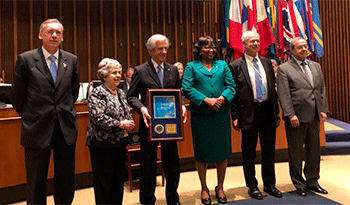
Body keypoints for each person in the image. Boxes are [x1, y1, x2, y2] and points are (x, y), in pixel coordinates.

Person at [11, 19, 80, 204]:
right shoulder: (26, 59)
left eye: (58, 32)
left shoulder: (71, 60)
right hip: (36, 129)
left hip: (65, 129)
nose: (54, 35)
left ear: (63, 37)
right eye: (50, 32)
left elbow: (72, 93)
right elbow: (17, 96)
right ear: (41, 35)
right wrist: (31, 116)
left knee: (66, 180)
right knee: (36, 181)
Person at [127, 34, 187, 205]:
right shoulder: (141, 70)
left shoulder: (173, 70)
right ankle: (147, 200)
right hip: (149, 124)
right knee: (148, 165)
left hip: (170, 124)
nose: (164, 51)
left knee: (172, 164)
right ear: (151, 50)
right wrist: (142, 108)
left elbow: (179, 92)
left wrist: (182, 105)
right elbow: (130, 96)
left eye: (166, 48)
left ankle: (173, 199)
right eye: (160, 48)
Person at [182, 36, 236, 205]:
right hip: (201, 115)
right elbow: (187, 88)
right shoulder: (191, 67)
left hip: (220, 114)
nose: (211, 50)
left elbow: (231, 86)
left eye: (213, 47)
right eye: (207, 47)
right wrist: (206, 100)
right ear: (199, 49)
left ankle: (220, 187)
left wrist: (222, 98)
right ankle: (204, 188)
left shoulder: (223, 65)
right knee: (202, 153)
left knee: (222, 152)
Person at [229, 31, 282, 200]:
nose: (256, 44)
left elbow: (273, 90)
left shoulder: (267, 62)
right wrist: (235, 116)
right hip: (248, 113)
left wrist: (276, 113)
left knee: (269, 151)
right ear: (244, 44)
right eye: (252, 41)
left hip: (267, 111)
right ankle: (252, 186)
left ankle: (269, 184)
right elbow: (234, 94)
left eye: (258, 41)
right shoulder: (236, 65)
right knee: (249, 153)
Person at [276, 37, 329, 197]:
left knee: (314, 151)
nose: (304, 49)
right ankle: (299, 184)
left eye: (305, 47)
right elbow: (284, 94)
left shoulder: (316, 66)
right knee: (296, 152)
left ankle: (313, 181)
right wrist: (290, 114)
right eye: (299, 47)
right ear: (291, 50)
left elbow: (321, 89)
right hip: (296, 117)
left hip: (314, 115)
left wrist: (323, 109)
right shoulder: (284, 69)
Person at [87, 58, 135, 204]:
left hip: (119, 144)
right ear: (104, 75)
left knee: (117, 182)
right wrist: (120, 124)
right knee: (104, 185)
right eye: (114, 73)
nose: (118, 75)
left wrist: (129, 121)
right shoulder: (97, 92)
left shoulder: (120, 92)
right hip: (102, 145)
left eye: (119, 72)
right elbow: (98, 117)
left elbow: (125, 112)